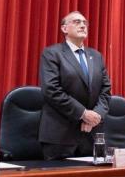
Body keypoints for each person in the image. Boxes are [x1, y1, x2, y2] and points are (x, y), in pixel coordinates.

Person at [38, 11, 111, 160]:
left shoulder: (96, 56)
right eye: (77, 22)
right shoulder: (52, 53)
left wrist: (96, 115)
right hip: (60, 135)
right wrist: (83, 114)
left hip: (92, 134)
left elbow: (106, 90)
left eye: (85, 23)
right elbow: (52, 90)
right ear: (64, 29)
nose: (83, 25)